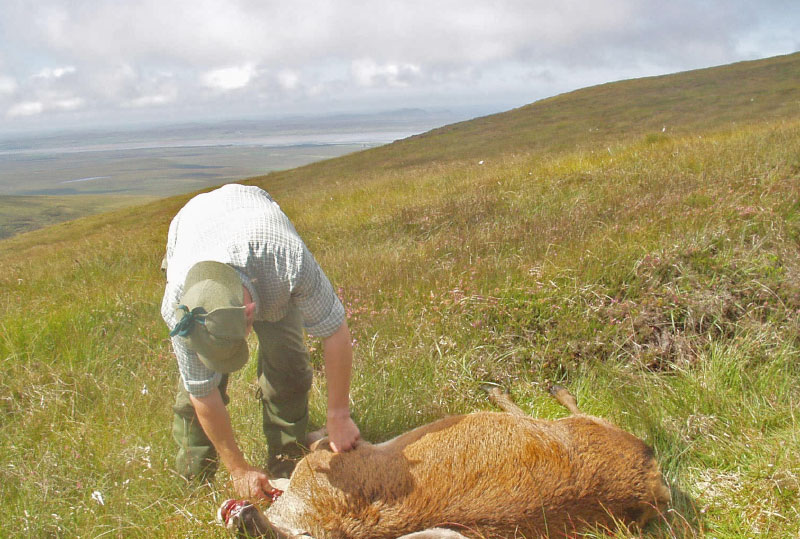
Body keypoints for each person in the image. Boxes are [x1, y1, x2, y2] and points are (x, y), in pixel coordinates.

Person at [160, 183, 360, 500]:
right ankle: (194, 482)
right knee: (191, 392)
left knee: (290, 366)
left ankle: (286, 462)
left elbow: (334, 329)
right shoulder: (178, 306)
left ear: (250, 313)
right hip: (194, 223)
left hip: (258, 239)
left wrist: (339, 416)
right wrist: (238, 469)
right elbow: (201, 390)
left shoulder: (286, 260)